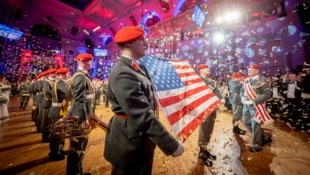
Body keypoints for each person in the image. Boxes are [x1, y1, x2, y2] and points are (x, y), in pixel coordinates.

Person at [103, 26, 184, 175]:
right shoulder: (123, 72)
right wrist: (171, 145)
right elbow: (142, 115)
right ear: (128, 43)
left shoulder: (136, 68)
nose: (146, 43)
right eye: (141, 39)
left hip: (141, 139)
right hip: (129, 144)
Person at [67, 53, 95, 175]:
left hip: (81, 114)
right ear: (85, 62)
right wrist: (84, 119)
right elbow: (79, 100)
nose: (91, 63)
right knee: (77, 147)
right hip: (79, 117)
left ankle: (78, 171)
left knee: (80, 146)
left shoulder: (83, 76)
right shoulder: (80, 77)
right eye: (89, 61)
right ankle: (75, 172)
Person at [196, 64, 224, 167]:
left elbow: (217, 91)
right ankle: (201, 152)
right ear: (200, 70)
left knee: (209, 129)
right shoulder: (196, 81)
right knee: (204, 129)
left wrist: (221, 98)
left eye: (208, 68)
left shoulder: (211, 82)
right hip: (203, 109)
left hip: (212, 108)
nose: (208, 69)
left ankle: (205, 149)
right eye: (206, 68)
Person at [240, 64, 272, 152]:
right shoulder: (246, 80)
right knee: (246, 122)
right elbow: (242, 91)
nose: (249, 70)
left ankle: (257, 144)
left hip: (255, 106)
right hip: (246, 105)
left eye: (251, 69)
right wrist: (242, 98)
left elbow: (267, 94)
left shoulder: (262, 80)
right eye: (248, 69)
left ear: (257, 71)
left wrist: (253, 101)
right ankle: (262, 136)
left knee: (255, 125)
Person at [48, 67, 70, 161]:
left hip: (58, 109)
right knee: (56, 133)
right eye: (67, 73)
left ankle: (60, 149)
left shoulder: (59, 82)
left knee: (61, 132)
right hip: (57, 111)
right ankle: (54, 153)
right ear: (63, 74)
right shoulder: (60, 83)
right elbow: (68, 94)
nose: (68, 75)